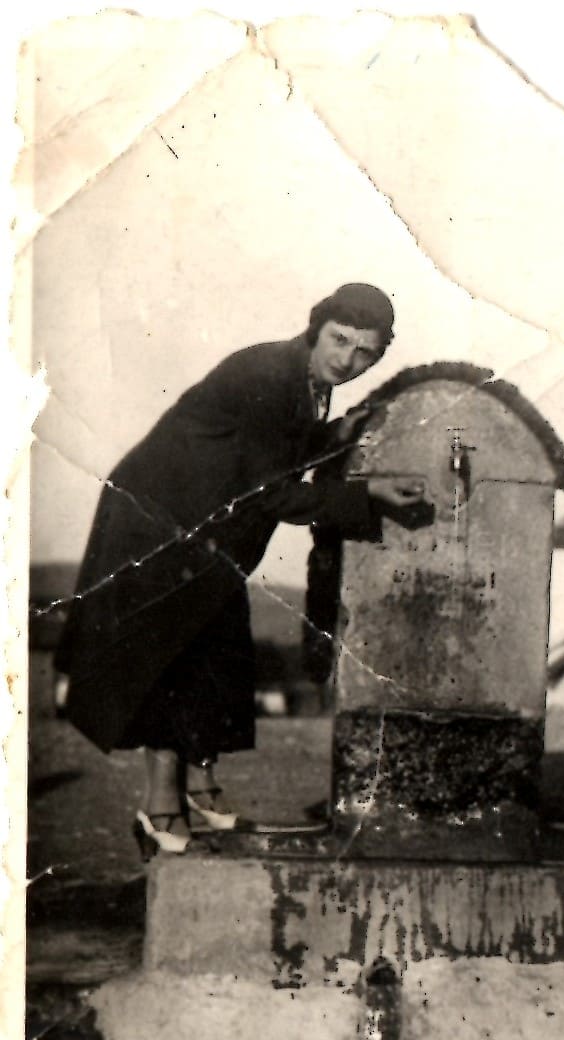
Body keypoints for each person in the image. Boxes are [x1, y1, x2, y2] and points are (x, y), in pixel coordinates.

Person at [54, 284, 429, 857]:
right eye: (339, 340)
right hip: (157, 522)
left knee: (217, 650)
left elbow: (275, 452)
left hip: (203, 529)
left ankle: (201, 787)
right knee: (171, 656)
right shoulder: (268, 375)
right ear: (316, 327)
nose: (346, 359)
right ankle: (160, 805)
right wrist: (367, 495)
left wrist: (339, 439)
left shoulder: (305, 384)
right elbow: (268, 493)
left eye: (364, 353)